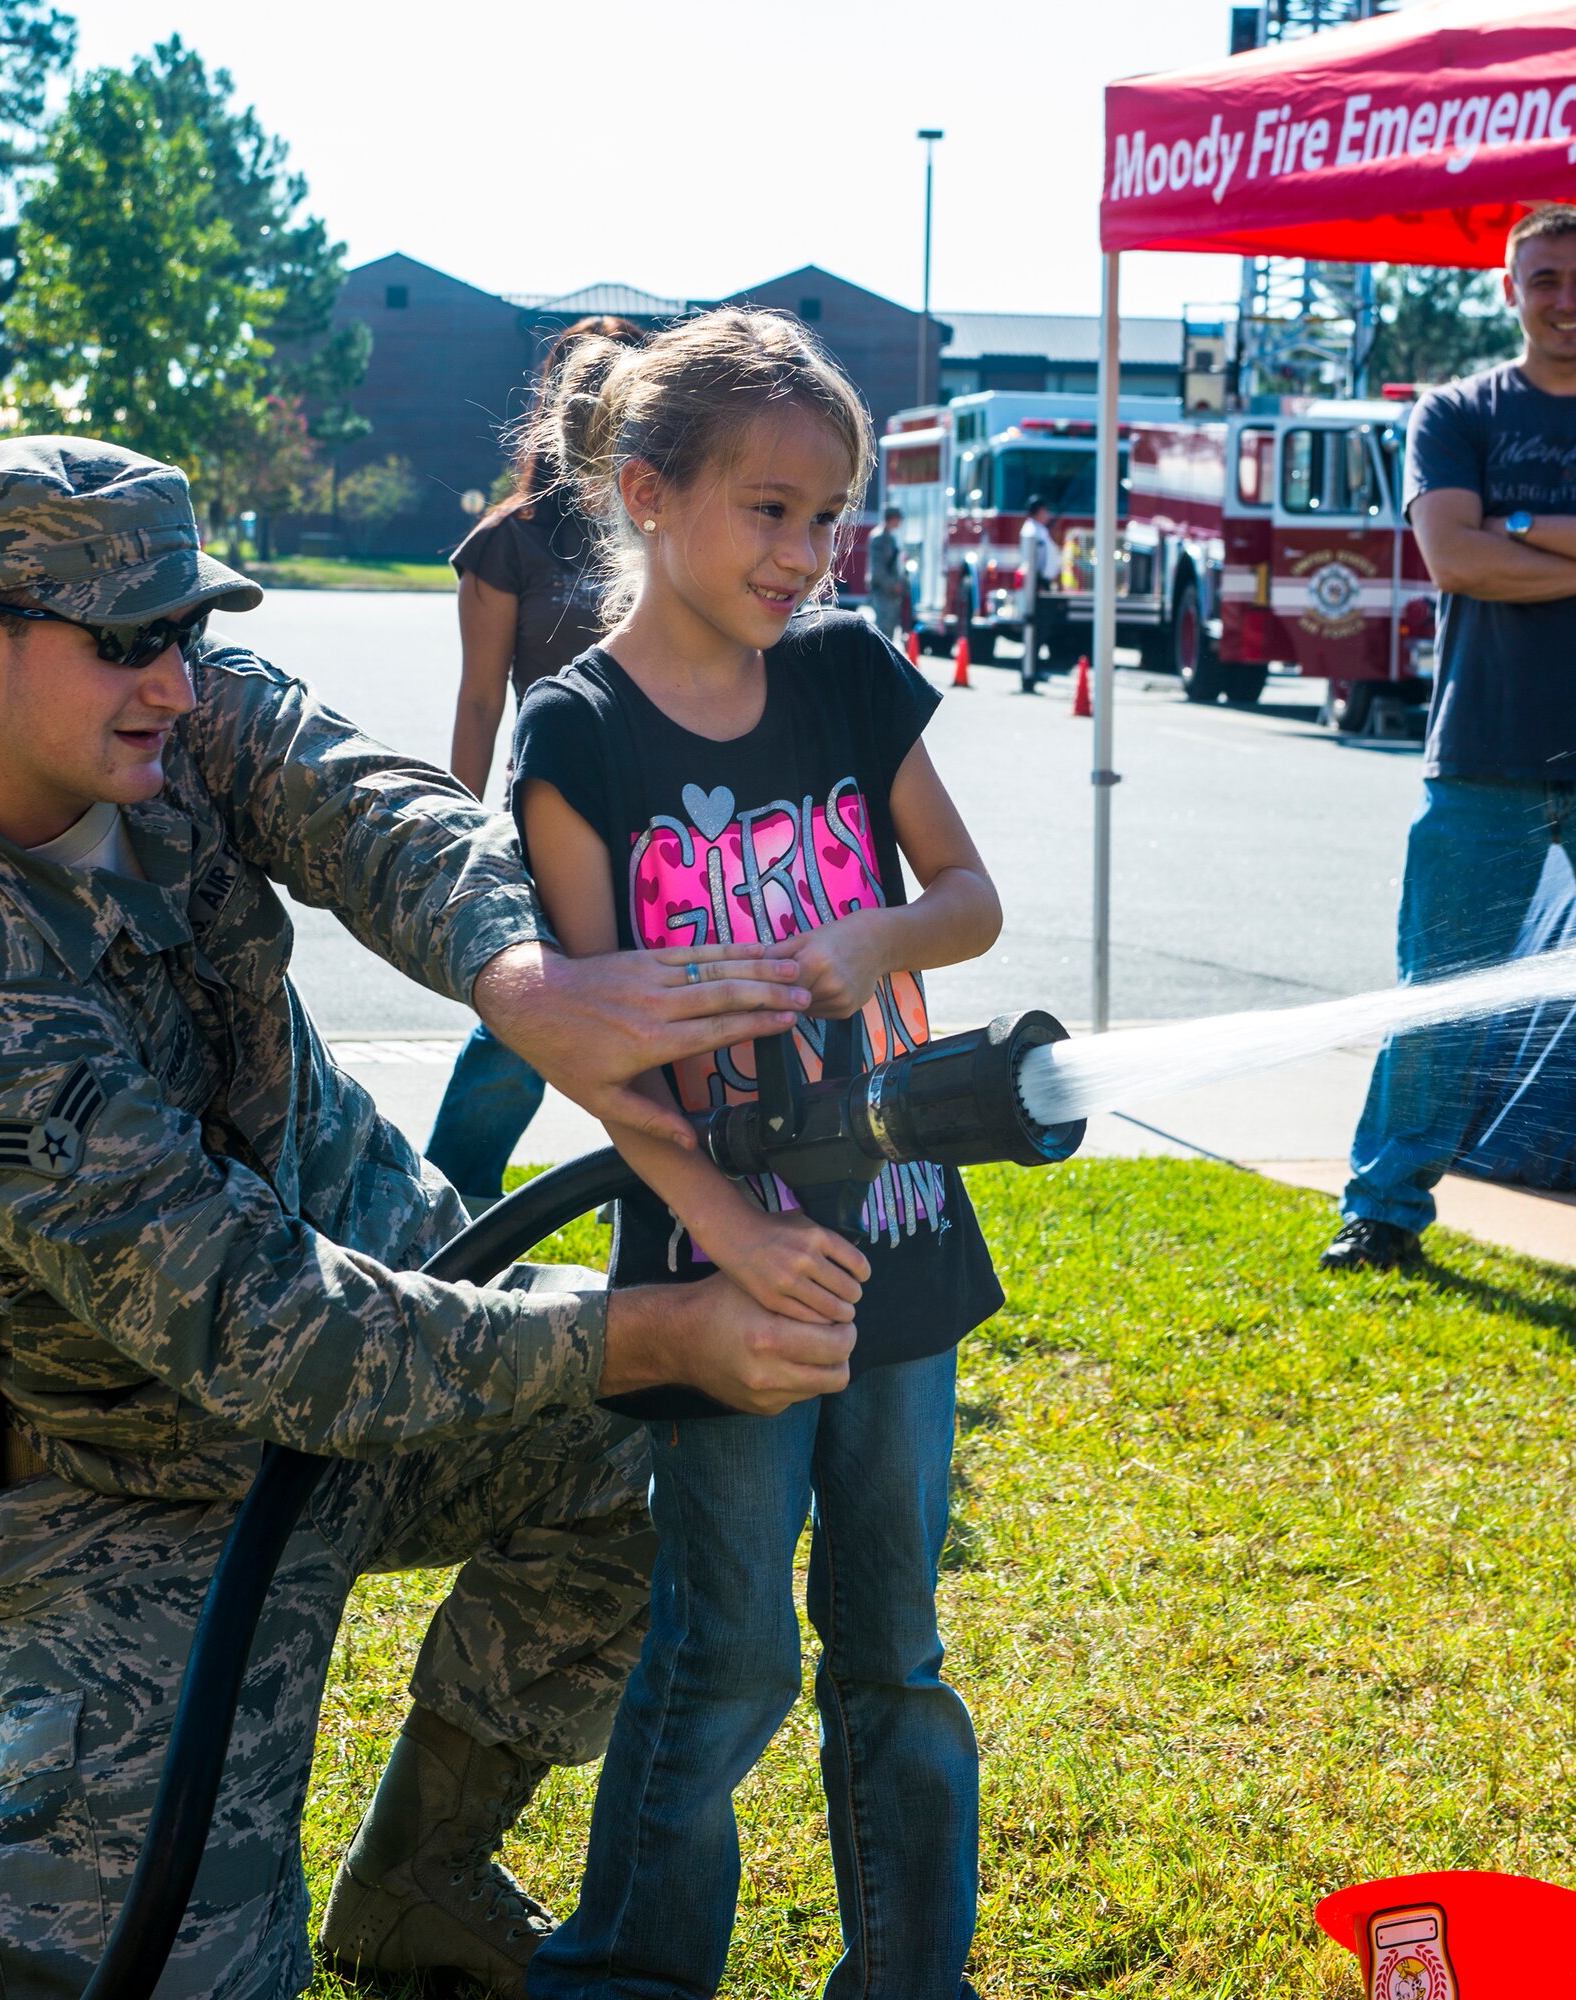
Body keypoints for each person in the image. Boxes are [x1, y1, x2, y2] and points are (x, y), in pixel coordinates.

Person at [0, 435, 857, 2000]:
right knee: (134, 1962)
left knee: (656, 1462)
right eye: (130, 641)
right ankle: (14, 1706)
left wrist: (521, 975)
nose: (178, 684)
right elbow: (277, 1336)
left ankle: (422, 1879)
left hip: (405, 1301)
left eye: (187, 630)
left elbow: (383, 812)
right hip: (142, 1481)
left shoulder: (182, 714)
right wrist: (647, 1326)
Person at [507, 310, 1005, 1998]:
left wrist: (881, 943)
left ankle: (910, 1976)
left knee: (898, 1650)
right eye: (769, 510)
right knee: (725, 1657)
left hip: (904, 1244)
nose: (805, 553)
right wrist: (727, 1231)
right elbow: (601, 1059)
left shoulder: (852, 675)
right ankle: (632, 1972)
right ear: (648, 493)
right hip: (716, 1271)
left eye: (828, 518)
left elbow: (972, 897)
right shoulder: (577, 737)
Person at [1323, 205, 1576, 1300]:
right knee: (1436, 994)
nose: (1562, 298)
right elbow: (1454, 562)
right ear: (1508, 291)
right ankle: (1381, 1213)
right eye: (1540, 278)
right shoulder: (1453, 411)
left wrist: (1519, 528)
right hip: (1482, 752)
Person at [429, 313, 648, 1208]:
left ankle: (684, 1200)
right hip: (550, 814)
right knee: (524, 1026)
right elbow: (480, 697)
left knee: (667, 1012)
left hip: (665, 808)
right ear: (561, 419)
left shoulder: (660, 525)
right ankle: (449, 1206)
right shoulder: (505, 543)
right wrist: (452, 828)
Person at [1017, 494, 1059, 693]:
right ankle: (1029, 671)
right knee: (1036, 630)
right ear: (1038, 511)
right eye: (1045, 510)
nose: (1048, 514)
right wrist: (1040, 581)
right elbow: (1034, 560)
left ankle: (1032, 669)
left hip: (1041, 583)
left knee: (1041, 630)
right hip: (1037, 584)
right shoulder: (1033, 532)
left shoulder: (1038, 530)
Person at [867, 501, 908, 644]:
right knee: (883, 631)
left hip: (891, 594)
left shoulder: (891, 537)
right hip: (882, 592)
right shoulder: (879, 538)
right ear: (892, 518)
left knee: (890, 631)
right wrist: (893, 585)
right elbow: (877, 569)